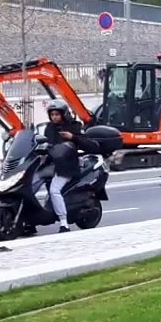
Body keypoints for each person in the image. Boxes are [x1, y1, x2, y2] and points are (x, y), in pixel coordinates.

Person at [40, 100, 95, 233]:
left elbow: (87, 144)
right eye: (52, 115)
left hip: (66, 166)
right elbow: (45, 144)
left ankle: (64, 223)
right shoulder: (49, 128)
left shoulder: (74, 126)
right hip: (50, 165)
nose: (54, 117)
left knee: (54, 190)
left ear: (63, 114)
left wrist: (73, 137)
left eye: (57, 114)